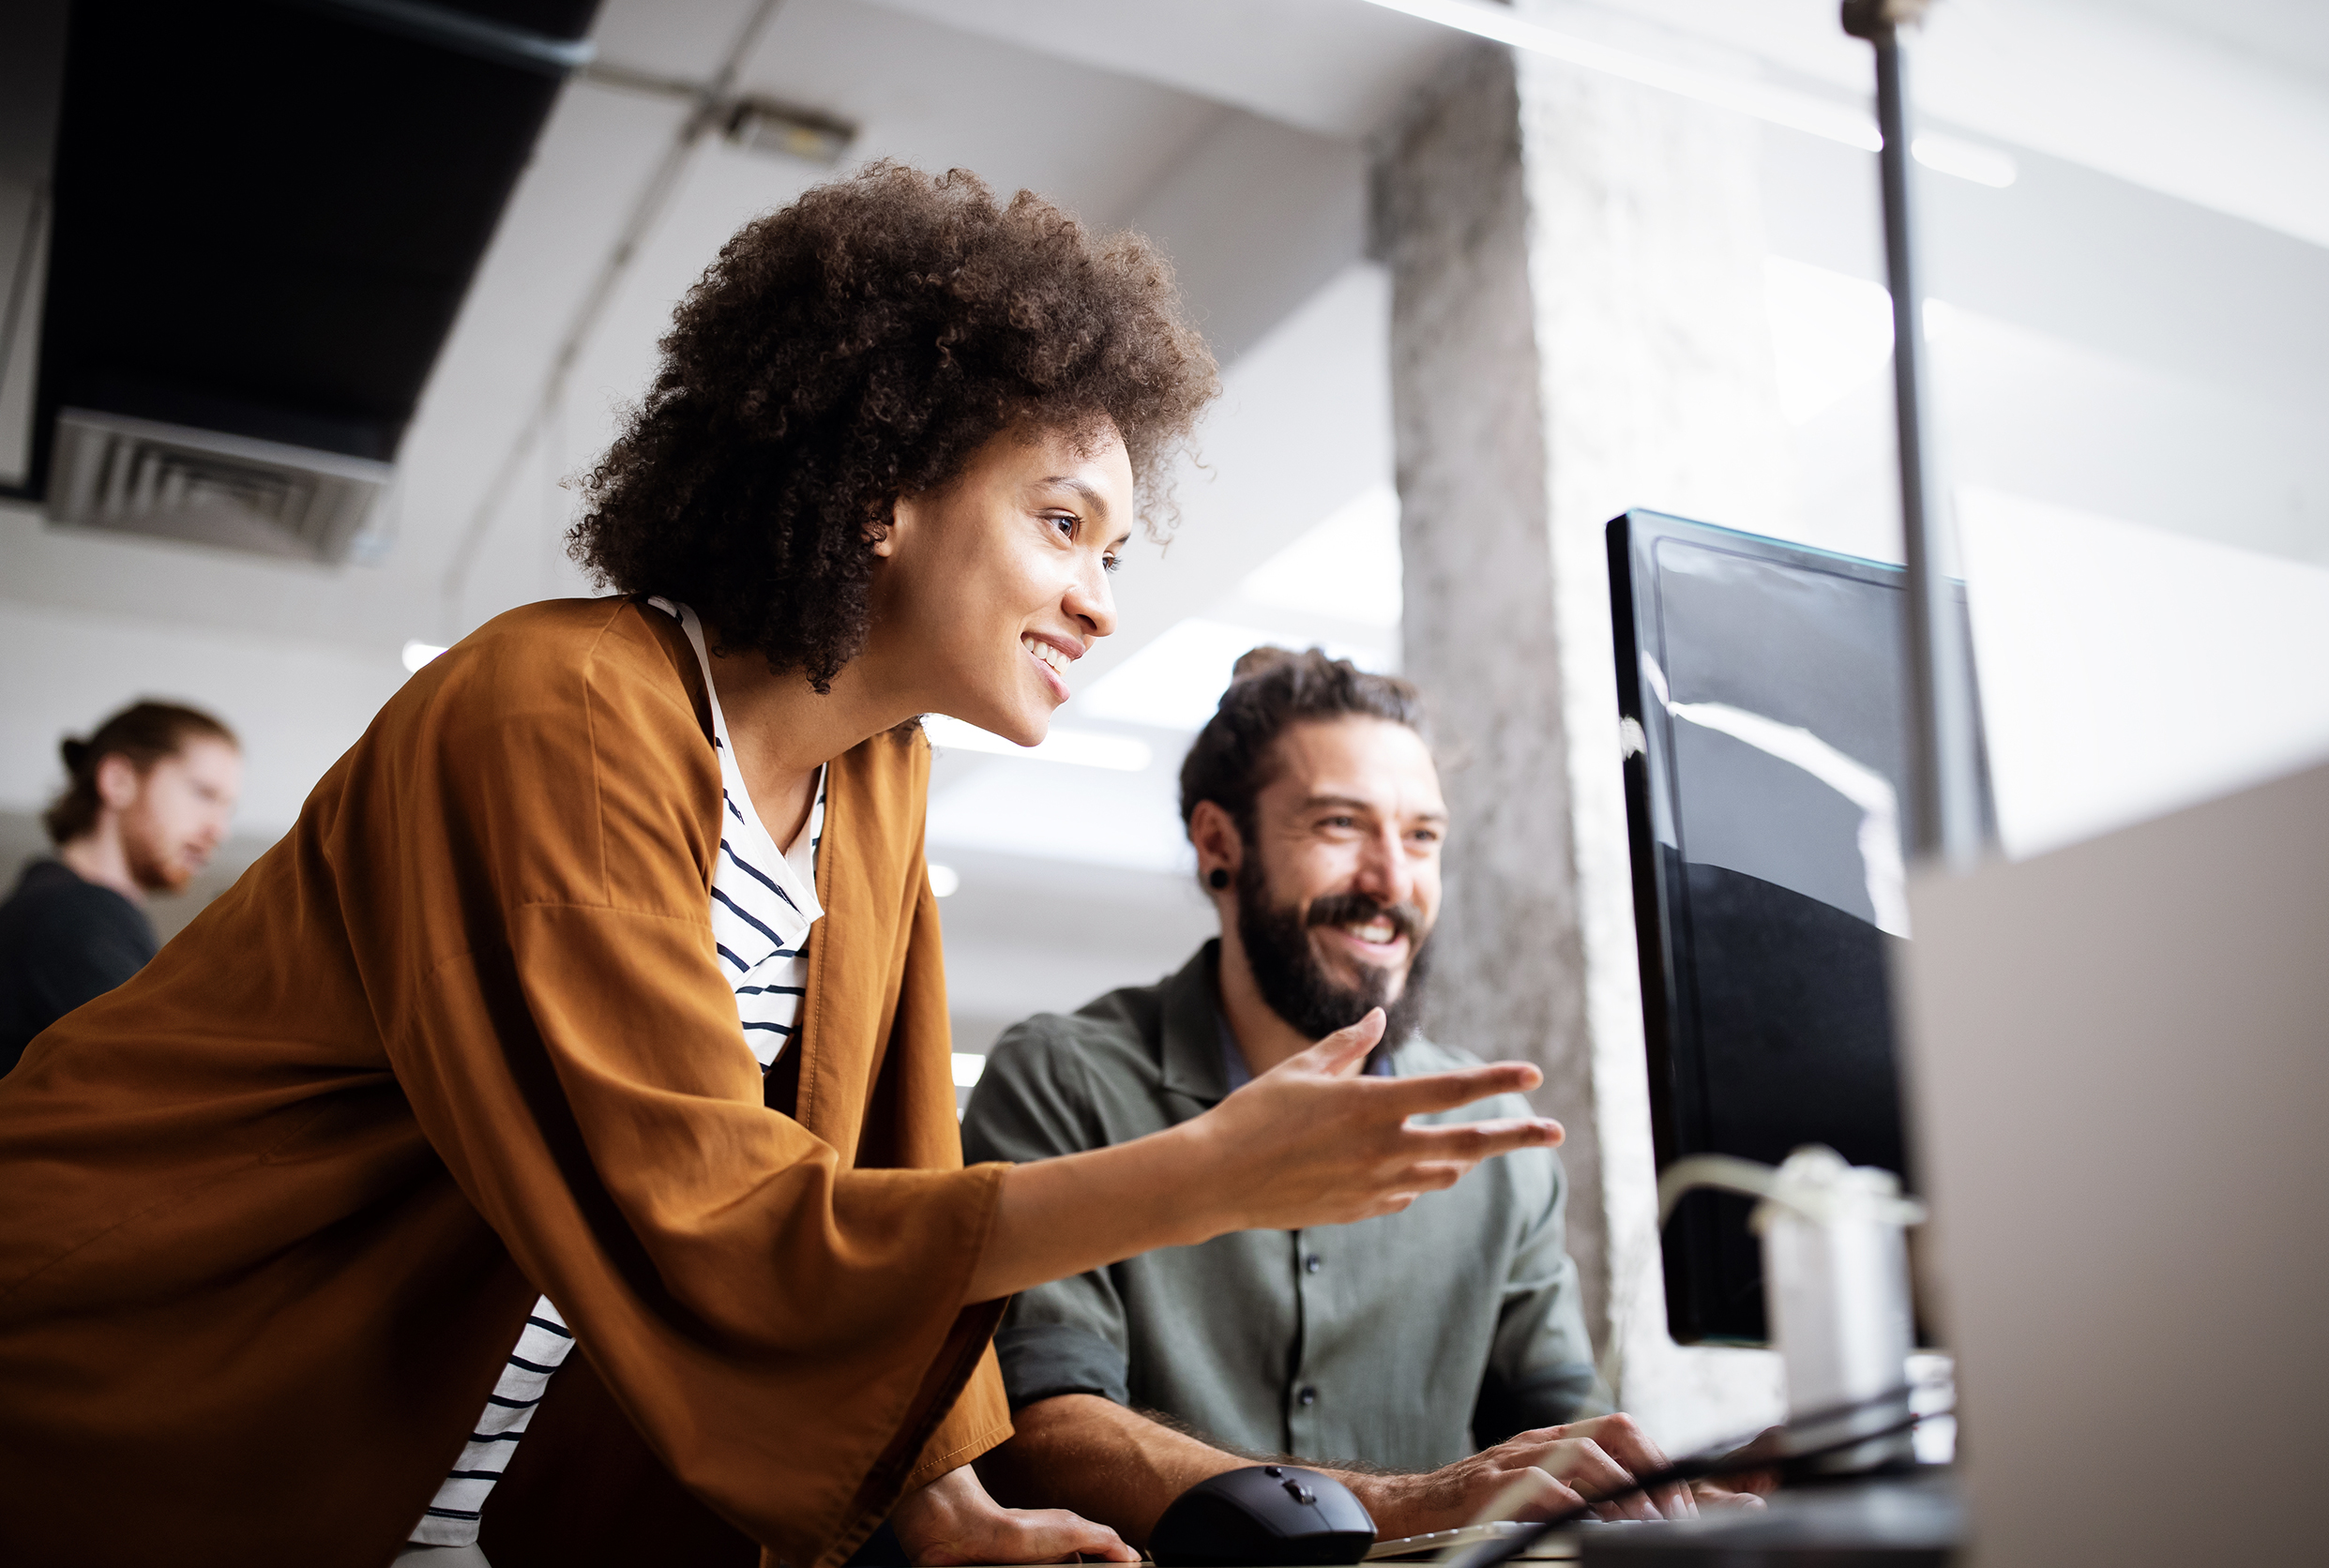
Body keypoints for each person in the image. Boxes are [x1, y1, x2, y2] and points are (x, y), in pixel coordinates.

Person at [0, 164, 1567, 1568]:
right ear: (883, 490)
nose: (1098, 602)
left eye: (1113, 551)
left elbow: (878, 1163)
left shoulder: (872, 779)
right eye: (1062, 521)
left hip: (424, 1470)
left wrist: (957, 1513)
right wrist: (1205, 1173)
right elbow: (717, 1215)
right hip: (138, 1391)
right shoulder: (560, 710)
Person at [966, 649, 1753, 1545]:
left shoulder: (1497, 1142)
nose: (1391, 881)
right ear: (1220, 844)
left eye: (1422, 837)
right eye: (1342, 825)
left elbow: (1566, 1440)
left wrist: (1707, 1486)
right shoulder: (1065, 1081)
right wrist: (1399, 1504)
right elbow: (1037, 1428)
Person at [0, 700, 241, 1073]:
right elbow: (165, 1083)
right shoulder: (78, 912)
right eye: (203, 794)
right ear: (118, 780)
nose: (218, 831)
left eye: (228, 809)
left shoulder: (54, 901)